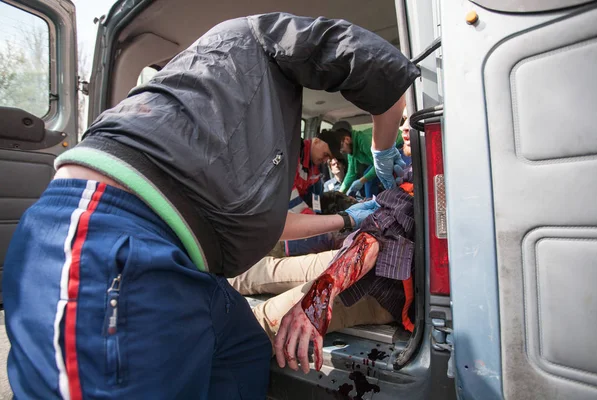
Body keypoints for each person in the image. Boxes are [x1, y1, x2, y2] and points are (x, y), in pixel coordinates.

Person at [3, 12, 419, 399]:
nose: (404, 133)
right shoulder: (256, 40)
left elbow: (267, 223)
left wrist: (344, 217)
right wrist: (381, 161)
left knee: (247, 353)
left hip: (191, 263)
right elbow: (379, 70)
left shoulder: (239, 131)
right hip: (108, 234)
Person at [274, 114, 418, 374]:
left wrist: (320, 294)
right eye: (402, 119)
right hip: (348, 256)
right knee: (269, 271)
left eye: (409, 119)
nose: (404, 127)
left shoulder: (429, 178)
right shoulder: (408, 170)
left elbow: (377, 235)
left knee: (268, 319)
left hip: (378, 284)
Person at [335, 121, 406, 198]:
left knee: (372, 177)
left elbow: (380, 164)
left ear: (347, 139)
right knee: (368, 176)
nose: (341, 151)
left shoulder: (364, 140)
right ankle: (371, 202)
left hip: (398, 146)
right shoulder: (352, 151)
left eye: (341, 147)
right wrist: (339, 193)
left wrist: (362, 180)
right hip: (383, 159)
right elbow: (351, 174)